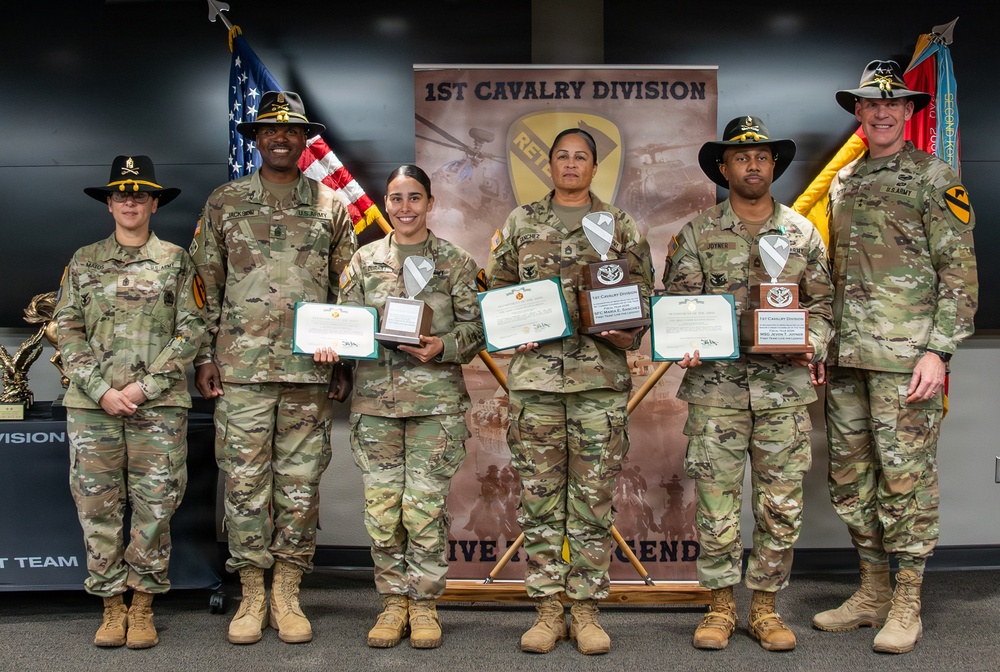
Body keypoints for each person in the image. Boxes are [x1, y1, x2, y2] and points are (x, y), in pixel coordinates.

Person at [811, 60, 978, 654]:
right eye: (870, 104)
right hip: (849, 360)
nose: (881, 112)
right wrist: (823, 343)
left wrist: (938, 352)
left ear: (909, 113)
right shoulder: (844, 181)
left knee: (906, 483)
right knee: (852, 479)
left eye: (894, 104)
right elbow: (833, 275)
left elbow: (959, 274)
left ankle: (908, 600)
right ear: (858, 113)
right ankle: (872, 590)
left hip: (906, 361)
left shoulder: (936, 178)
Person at [189, 91, 356, 645]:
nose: (279, 138)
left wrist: (345, 360)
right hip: (241, 372)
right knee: (243, 486)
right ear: (255, 139)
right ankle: (252, 591)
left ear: (305, 139)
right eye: (268, 130)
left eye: (290, 131)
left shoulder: (330, 205)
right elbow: (203, 286)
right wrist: (205, 356)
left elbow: (346, 288)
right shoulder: (225, 201)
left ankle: (287, 591)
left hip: (310, 371)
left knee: (301, 486)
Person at [663, 116, 835, 651]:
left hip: (783, 392)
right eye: (741, 157)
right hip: (717, 392)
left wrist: (815, 343)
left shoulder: (802, 233)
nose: (753, 164)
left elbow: (825, 307)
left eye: (762, 156)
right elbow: (676, 306)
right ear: (723, 167)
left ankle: (764, 607)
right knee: (715, 504)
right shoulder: (695, 234)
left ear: (775, 165)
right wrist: (681, 344)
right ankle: (719, 605)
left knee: (779, 503)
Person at [484, 128, 653, 655]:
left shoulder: (618, 224)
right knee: (537, 500)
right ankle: (547, 609)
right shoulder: (520, 222)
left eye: (582, 157)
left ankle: (585, 610)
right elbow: (497, 290)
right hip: (534, 383)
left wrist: (626, 330)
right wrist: (514, 324)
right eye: (563, 156)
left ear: (594, 166)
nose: (572, 164)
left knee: (593, 501)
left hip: (598, 385)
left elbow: (643, 295)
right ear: (550, 165)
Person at [314, 164, 484, 649]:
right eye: (395, 199)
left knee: (424, 509)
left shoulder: (455, 261)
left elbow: (478, 329)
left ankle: (425, 605)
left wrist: (443, 347)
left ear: (431, 203)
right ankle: (393, 603)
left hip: (436, 408)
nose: (404, 207)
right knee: (384, 510)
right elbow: (343, 322)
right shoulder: (365, 262)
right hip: (377, 406)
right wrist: (334, 347)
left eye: (414, 198)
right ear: (385, 205)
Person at [54, 155, 205, 649]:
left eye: (140, 194)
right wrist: (101, 390)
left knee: (155, 505)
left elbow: (192, 331)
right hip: (91, 406)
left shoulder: (177, 262)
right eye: (121, 194)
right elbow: (67, 330)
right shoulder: (84, 261)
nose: (130, 201)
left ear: (155, 203)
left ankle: (142, 604)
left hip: (156, 408)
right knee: (96, 505)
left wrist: (143, 389)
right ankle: (110, 604)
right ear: (109, 204)